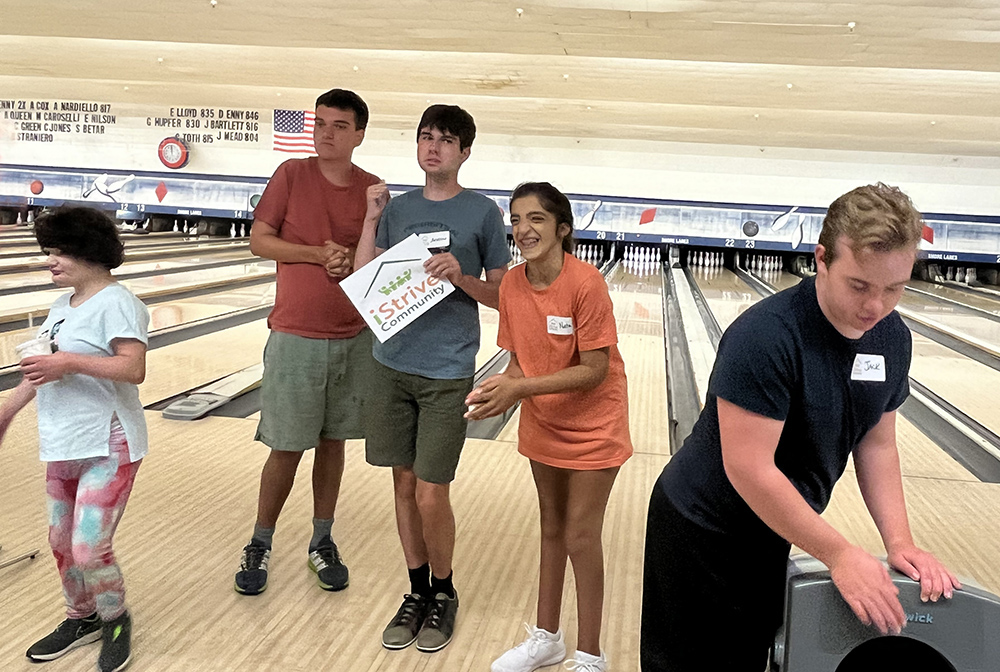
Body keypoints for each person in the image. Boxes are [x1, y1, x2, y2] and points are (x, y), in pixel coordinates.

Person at [640, 184, 962, 671]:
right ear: (821, 259)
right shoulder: (766, 335)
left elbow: (877, 444)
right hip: (702, 527)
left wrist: (900, 542)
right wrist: (840, 553)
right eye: (859, 285)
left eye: (894, 288)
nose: (875, 306)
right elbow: (749, 468)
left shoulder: (892, 339)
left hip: (776, 522)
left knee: (750, 655)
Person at [354, 104, 510, 653]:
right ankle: (416, 590)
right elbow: (363, 279)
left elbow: (503, 295)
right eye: (425, 137)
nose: (433, 147)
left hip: (447, 371)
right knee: (402, 483)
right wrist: (371, 218)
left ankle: (444, 592)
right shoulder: (397, 209)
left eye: (445, 140)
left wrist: (460, 276)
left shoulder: (484, 214)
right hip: (391, 363)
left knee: (429, 490)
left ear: (464, 151)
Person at [467, 182, 631, 672]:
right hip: (544, 422)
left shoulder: (586, 283)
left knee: (581, 535)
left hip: (595, 423)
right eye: (516, 219)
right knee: (551, 529)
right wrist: (497, 390)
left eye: (536, 219)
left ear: (562, 228)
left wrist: (520, 390)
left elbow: (594, 369)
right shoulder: (513, 285)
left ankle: (591, 655)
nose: (523, 229)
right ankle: (547, 638)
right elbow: (518, 365)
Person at [234, 88, 380, 596]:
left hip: (353, 337)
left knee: (332, 442)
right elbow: (259, 240)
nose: (325, 132)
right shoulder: (291, 175)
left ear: (359, 134)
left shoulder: (372, 190)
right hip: (295, 334)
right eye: (319, 123)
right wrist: (317, 255)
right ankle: (260, 541)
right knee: (286, 446)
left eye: (339, 125)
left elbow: (377, 260)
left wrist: (354, 253)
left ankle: (322, 540)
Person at [0, 207, 149, 672]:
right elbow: (41, 369)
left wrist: (69, 363)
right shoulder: (61, 307)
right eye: (48, 251)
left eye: (58, 251)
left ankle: (115, 619)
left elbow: (133, 367)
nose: (50, 261)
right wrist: (5, 411)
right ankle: (79, 616)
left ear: (87, 251)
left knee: (89, 548)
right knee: (61, 542)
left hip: (110, 441)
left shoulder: (118, 302)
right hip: (63, 441)